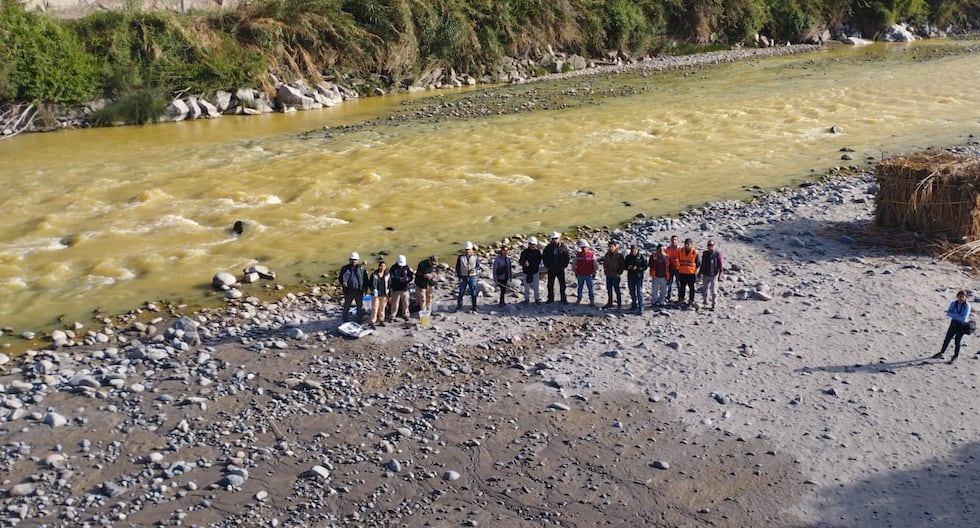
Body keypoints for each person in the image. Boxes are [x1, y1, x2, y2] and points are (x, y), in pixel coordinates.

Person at [933, 290, 972, 364]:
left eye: (963, 297)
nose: (961, 298)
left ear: (965, 298)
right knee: (947, 339)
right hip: (953, 324)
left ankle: (955, 356)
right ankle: (941, 353)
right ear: (957, 297)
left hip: (961, 325)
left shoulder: (967, 306)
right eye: (960, 297)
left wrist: (954, 314)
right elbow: (948, 313)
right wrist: (957, 315)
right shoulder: (953, 303)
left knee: (957, 341)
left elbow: (963, 318)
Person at [339, 251, 368, 323]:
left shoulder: (361, 269)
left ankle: (359, 320)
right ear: (349, 260)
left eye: (355, 260)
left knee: (359, 306)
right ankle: (345, 319)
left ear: (357, 260)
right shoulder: (345, 268)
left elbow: (365, 279)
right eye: (352, 260)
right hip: (349, 291)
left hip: (359, 291)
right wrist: (343, 282)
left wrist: (365, 289)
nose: (353, 261)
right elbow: (340, 278)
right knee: (347, 306)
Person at [542, 232, 571, 303]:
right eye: (553, 239)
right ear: (551, 239)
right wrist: (547, 266)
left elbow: (567, 257)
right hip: (551, 269)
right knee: (550, 285)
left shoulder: (563, 247)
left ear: (559, 238)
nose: (554, 240)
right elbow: (544, 257)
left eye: (556, 238)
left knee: (562, 285)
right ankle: (550, 298)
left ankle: (563, 298)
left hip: (560, 269)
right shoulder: (548, 247)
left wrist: (564, 266)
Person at [697, 240, 723, 310]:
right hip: (705, 274)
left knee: (714, 290)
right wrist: (700, 273)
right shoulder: (705, 254)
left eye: (711, 245)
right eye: (709, 245)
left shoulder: (717, 254)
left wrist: (720, 274)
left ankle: (714, 304)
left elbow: (720, 265)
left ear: (714, 246)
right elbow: (702, 264)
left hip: (714, 275)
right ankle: (705, 301)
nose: (710, 246)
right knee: (705, 289)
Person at [455, 241, 481, 311]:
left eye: (468, 249)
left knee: (473, 292)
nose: (467, 251)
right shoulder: (460, 257)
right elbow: (457, 268)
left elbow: (478, 266)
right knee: (461, 292)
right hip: (463, 277)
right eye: (466, 249)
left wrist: (475, 269)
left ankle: (474, 306)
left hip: (473, 277)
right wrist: (459, 277)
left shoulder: (475, 257)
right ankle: (459, 306)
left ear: (471, 249)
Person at [388, 254, 414, 321]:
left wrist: (407, 279)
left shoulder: (407, 268)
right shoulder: (393, 268)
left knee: (406, 303)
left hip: (405, 289)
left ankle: (406, 314)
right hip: (396, 289)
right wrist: (399, 279)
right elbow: (391, 278)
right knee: (394, 304)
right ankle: (392, 316)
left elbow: (411, 277)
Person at [601, 241, 626, 309]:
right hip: (608, 275)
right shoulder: (607, 255)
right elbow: (604, 263)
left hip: (615, 275)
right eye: (609, 247)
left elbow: (622, 266)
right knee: (609, 289)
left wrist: (619, 273)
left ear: (615, 247)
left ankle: (619, 304)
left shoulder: (619, 255)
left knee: (617, 290)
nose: (611, 248)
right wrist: (605, 270)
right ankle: (610, 302)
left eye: (612, 246)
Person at [574, 239, 598, 306]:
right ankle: (579, 299)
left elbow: (595, 264)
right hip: (580, 274)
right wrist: (575, 271)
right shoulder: (578, 255)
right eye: (582, 248)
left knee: (590, 288)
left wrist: (595, 272)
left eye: (585, 247)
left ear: (588, 247)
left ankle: (592, 300)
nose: (584, 249)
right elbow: (574, 264)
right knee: (580, 287)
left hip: (588, 274)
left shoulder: (591, 255)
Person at [519, 237, 543, 304]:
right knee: (526, 287)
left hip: (535, 272)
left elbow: (539, 261)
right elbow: (520, 261)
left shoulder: (537, 252)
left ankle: (537, 299)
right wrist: (524, 263)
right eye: (531, 244)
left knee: (536, 287)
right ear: (528, 244)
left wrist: (533, 265)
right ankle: (527, 299)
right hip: (526, 272)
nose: (532, 245)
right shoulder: (524, 252)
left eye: (534, 244)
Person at [676, 238, 699, 307]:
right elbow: (678, 259)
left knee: (691, 287)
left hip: (691, 273)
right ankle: (681, 299)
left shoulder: (695, 252)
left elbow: (698, 262)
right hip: (682, 272)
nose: (687, 245)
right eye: (686, 244)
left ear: (691, 245)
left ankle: (691, 300)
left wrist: (695, 270)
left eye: (688, 244)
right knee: (682, 287)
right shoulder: (680, 250)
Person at [624, 244, 646, 314]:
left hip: (639, 276)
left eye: (635, 250)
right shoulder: (628, 257)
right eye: (632, 251)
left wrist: (637, 268)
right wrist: (628, 267)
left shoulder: (641, 256)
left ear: (637, 250)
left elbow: (645, 267)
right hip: (631, 276)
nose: (633, 252)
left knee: (639, 292)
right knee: (632, 291)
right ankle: (634, 305)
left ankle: (641, 307)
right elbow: (624, 266)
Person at [369, 261, 390, 328]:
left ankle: (381, 320)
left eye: (384, 266)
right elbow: (371, 284)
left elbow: (390, 284)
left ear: (385, 267)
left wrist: (390, 295)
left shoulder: (387, 275)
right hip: (376, 295)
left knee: (382, 308)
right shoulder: (374, 274)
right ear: (379, 266)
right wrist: (373, 290)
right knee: (375, 308)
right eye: (381, 266)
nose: (382, 268)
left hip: (384, 294)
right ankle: (373, 322)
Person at [664, 235, 681, 302]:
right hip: (670, 267)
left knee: (678, 283)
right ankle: (668, 296)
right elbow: (665, 257)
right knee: (669, 283)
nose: (673, 241)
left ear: (677, 240)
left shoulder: (680, 249)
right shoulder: (668, 249)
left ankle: (680, 296)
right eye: (672, 240)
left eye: (675, 239)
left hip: (678, 268)